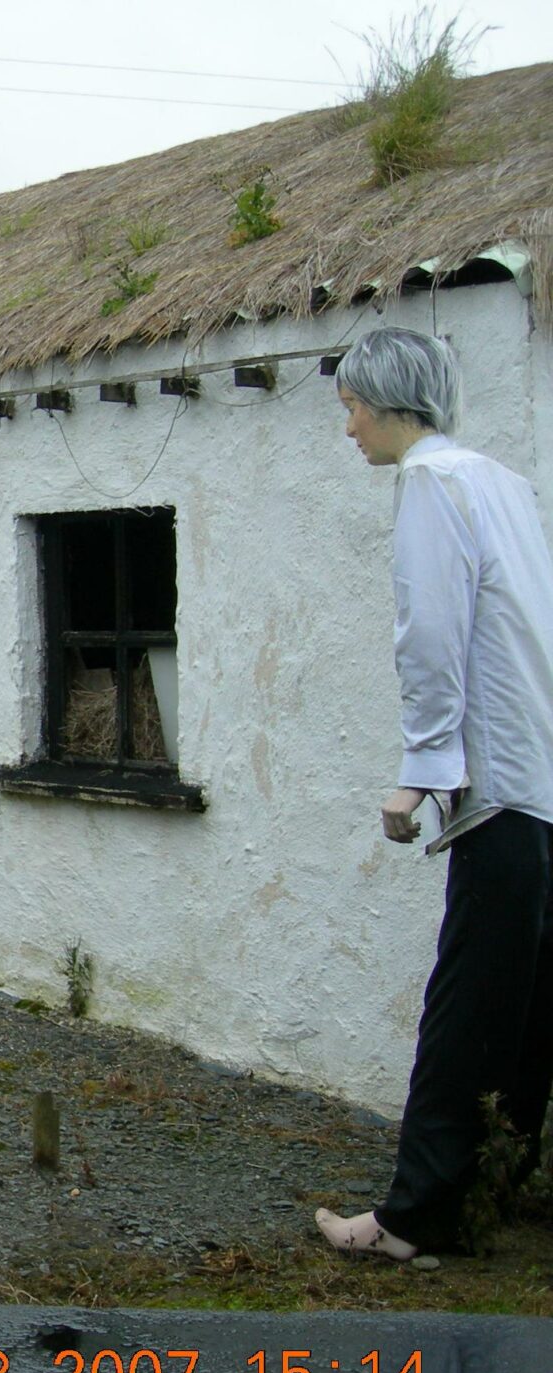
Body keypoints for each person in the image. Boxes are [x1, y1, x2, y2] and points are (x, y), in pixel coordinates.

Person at [315, 327, 553, 1260]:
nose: (349, 430)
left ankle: (412, 1220)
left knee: (466, 1007)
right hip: (541, 781)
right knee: (525, 1007)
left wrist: (420, 774)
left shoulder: (430, 485)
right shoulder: (505, 483)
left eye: (351, 409)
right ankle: (495, 1183)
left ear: (386, 403)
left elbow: (432, 637)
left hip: (496, 790)